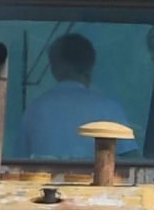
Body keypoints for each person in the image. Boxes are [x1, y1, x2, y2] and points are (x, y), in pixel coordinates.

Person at [16, 30, 132, 161]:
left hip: (40, 181)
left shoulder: (34, 109)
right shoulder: (109, 108)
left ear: (54, 69)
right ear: (91, 66)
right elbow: (131, 160)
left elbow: (20, 161)